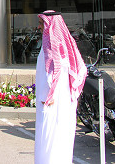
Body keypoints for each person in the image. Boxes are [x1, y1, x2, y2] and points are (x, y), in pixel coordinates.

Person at [34, 11, 87, 164]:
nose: (39, 27)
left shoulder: (55, 47)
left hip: (54, 102)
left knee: (52, 139)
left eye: (41, 24)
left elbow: (54, 75)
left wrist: (49, 96)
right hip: (55, 101)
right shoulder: (55, 45)